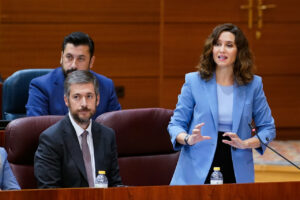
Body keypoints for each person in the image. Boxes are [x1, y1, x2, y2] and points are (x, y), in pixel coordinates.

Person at [168, 23, 275, 185]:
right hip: (198, 160)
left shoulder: (253, 85)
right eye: (217, 44)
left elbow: (268, 128)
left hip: (236, 161)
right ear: (211, 48)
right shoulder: (193, 81)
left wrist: (245, 143)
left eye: (229, 45)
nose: (222, 50)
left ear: (239, 51)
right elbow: (175, 124)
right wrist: (189, 138)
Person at [34, 70, 122, 188]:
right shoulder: (51, 139)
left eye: (89, 96)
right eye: (77, 97)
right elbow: (49, 192)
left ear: (98, 99)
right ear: (66, 100)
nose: (84, 103)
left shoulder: (107, 135)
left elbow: (115, 185)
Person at [26, 32, 121, 120]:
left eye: (80, 59)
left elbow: (116, 125)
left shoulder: (106, 86)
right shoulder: (41, 87)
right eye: (69, 57)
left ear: (91, 62)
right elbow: (36, 129)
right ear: (61, 57)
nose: (73, 65)